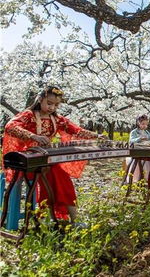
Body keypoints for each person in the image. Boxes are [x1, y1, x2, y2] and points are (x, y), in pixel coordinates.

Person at [2, 86, 105, 223]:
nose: (52, 107)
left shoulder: (57, 119)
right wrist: (33, 137)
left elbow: (76, 130)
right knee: (57, 174)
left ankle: (50, 216)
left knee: (59, 175)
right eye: (49, 103)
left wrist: (96, 135)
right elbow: (10, 126)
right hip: (28, 161)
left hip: (46, 158)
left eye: (56, 105)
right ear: (40, 99)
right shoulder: (29, 115)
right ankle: (68, 217)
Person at [126, 115, 150, 183]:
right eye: (143, 124)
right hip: (137, 152)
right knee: (142, 163)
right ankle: (139, 180)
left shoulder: (146, 132)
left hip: (146, 151)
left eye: (146, 124)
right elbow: (131, 141)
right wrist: (140, 138)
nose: (145, 126)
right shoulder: (134, 132)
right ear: (138, 123)